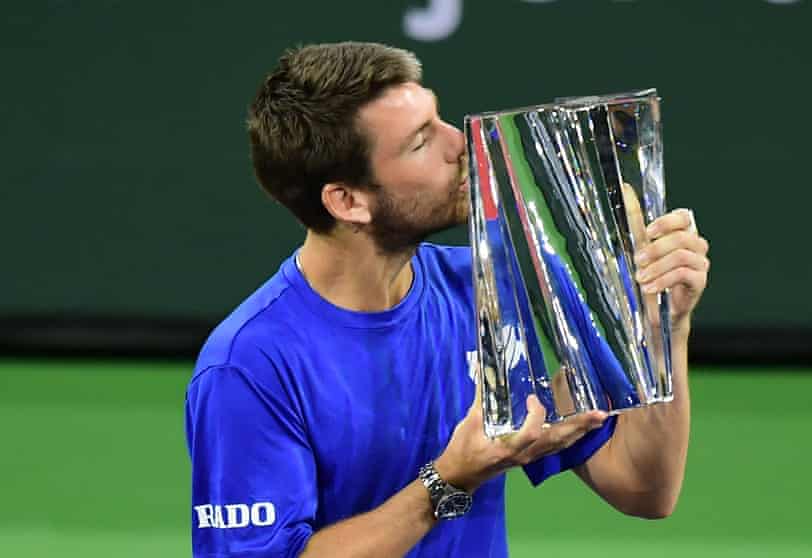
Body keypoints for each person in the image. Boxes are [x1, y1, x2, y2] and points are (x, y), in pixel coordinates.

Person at [185, 42, 710, 558]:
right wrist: (448, 480)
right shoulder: (249, 364)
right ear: (347, 201)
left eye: (438, 117)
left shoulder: (492, 290)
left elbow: (646, 489)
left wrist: (665, 325)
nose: (457, 142)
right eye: (419, 142)